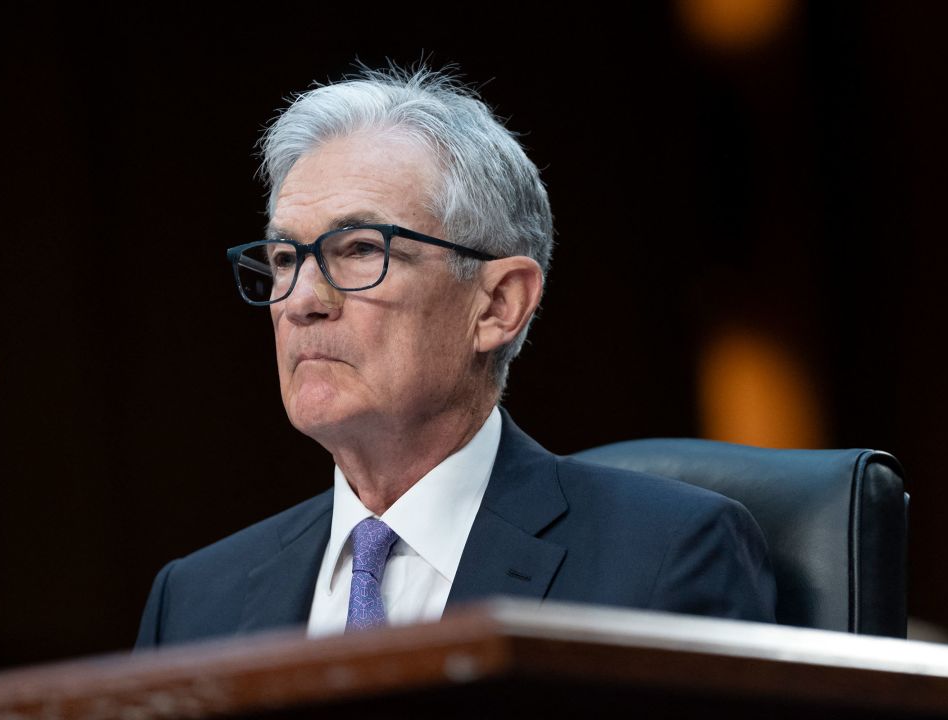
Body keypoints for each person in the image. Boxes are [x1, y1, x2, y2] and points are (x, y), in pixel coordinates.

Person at [136, 65, 775, 648]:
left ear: (498, 304)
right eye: (283, 259)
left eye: (360, 249)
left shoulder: (663, 556)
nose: (301, 300)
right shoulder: (195, 601)